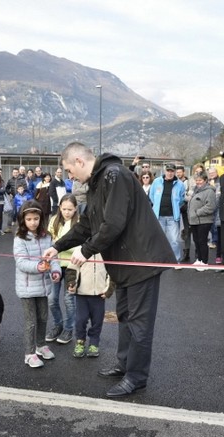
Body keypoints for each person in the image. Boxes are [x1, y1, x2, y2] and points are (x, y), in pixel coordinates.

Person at [43, 142, 175, 398]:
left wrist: (86, 250)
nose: (70, 177)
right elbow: (87, 226)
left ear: (80, 161)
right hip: (124, 265)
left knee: (139, 324)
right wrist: (57, 246)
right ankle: (125, 365)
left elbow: (113, 224)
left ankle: (136, 378)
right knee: (125, 316)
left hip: (141, 263)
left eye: (70, 170)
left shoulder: (115, 175)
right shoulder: (97, 183)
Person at [14, 200, 61, 368]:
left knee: (43, 317)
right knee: (30, 321)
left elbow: (53, 258)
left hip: (43, 286)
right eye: (29, 219)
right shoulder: (19, 239)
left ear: (41, 218)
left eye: (36, 218)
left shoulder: (47, 236)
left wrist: (56, 272)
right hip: (26, 288)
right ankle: (29, 353)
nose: (33, 222)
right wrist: (38, 267)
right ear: (22, 220)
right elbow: (21, 263)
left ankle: (41, 345)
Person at [66, 247, 115, 358]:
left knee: (97, 321)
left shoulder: (106, 251)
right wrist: (71, 284)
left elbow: (112, 272)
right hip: (82, 294)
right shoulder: (79, 251)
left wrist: (108, 290)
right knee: (80, 320)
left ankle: (94, 344)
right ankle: (80, 342)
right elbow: (72, 270)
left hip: (99, 295)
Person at [46, 194, 79, 344]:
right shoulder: (53, 220)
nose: (67, 212)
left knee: (68, 299)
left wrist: (60, 245)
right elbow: (49, 241)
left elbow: (81, 247)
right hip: (55, 265)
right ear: (59, 208)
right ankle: (57, 325)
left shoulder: (79, 223)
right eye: (64, 209)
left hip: (72, 267)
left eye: (70, 209)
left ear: (76, 209)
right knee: (52, 299)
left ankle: (68, 329)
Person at [149, 163, 185, 266]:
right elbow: (152, 196)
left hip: (172, 217)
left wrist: (176, 207)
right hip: (158, 216)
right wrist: (156, 206)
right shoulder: (156, 182)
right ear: (165, 171)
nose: (170, 173)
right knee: (158, 239)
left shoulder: (180, 184)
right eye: (168, 171)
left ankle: (176, 261)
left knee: (174, 240)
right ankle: (159, 260)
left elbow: (182, 199)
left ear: (174, 172)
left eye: (172, 171)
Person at [187, 171, 216, 270]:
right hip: (194, 221)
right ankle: (199, 259)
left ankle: (204, 262)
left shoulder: (209, 191)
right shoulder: (196, 190)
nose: (198, 182)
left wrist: (197, 212)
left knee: (202, 241)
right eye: (196, 180)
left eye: (200, 180)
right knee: (196, 241)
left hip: (204, 221)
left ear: (205, 180)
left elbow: (210, 207)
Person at [207, 166, 222, 262]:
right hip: (210, 206)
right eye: (210, 173)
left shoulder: (220, 181)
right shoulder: (207, 181)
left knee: (216, 225)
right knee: (211, 225)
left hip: (218, 206)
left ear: (216, 173)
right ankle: (213, 240)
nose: (212, 174)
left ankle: (215, 241)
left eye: (213, 173)